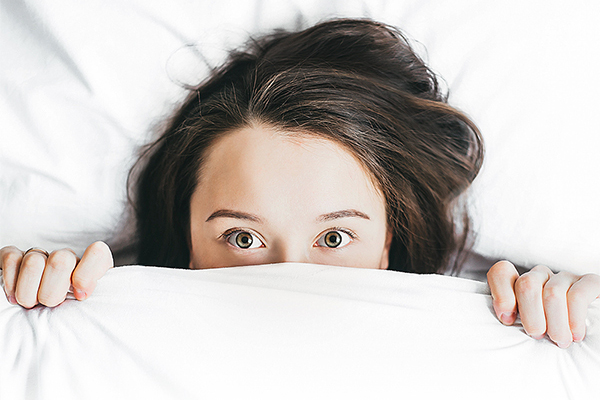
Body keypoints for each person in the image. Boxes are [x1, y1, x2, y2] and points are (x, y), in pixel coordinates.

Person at [1, 19, 598, 349]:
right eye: (241, 238)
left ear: (391, 240)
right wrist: (26, 296)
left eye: (335, 239)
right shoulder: (101, 329)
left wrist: (574, 314)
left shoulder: (491, 330)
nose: (289, 278)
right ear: (185, 237)